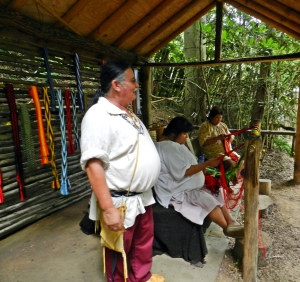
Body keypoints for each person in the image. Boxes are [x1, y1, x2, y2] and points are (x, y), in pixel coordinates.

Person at [80, 60, 164, 282]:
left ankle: (141, 278)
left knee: (142, 246)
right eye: (133, 80)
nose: (137, 85)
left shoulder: (127, 114)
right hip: (120, 201)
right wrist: (107, 209)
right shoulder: (98, 115)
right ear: (116, 85)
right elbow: (93, 164)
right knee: (120, 251)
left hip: (142, 197)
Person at [154, 116, 244, 238]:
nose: (186, 137)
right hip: (176, 190)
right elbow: (183, 172)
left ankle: (231, 221)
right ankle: (227, 228)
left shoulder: (172, 145)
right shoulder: (167, 147)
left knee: (215, 191)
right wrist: (206, 164)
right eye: (184, 133)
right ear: (173, 133)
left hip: (186, 185)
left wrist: (205, 168)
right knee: (208, 200)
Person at [198, 106, 239, 172]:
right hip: (213, 153)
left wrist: (230, 137)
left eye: (220, 118)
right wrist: (217, 138)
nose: (219, 120)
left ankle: (234, 180)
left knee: (240, 161)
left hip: (226, 151)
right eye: (217, 117)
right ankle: (224, 180)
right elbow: (203, 142)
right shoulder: (205, 126)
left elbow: (231, 136)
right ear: (211, 117)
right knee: (230, 164)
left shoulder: (223, 125)